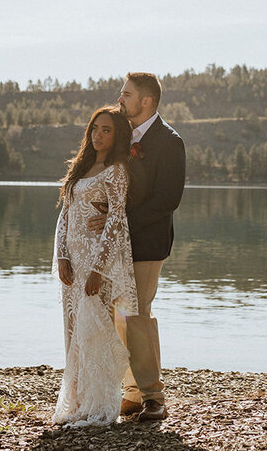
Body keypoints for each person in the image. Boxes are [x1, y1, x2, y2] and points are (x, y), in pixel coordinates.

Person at [89, 72, 186, 422]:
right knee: (120, 315)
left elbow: (168, 199)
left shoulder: (169, 141)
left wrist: (120, 221)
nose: (121, 99)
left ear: (146, 101)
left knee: (138, 315)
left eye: (126, 94)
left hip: (147, 242)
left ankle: (154, 398)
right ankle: (132, 393)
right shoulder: (123, 134)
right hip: (115, 244)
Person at [51, 106, 139, 427]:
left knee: (94, 329)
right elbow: (66, 214)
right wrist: (61, 255)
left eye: (106, 130)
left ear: (116, 136)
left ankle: (99, 401)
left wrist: (99, 269)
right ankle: (76, 398)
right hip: (73, 260)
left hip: (95, 259)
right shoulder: (82, 167)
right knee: (73, 329)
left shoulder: (116, 171)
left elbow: (115, 218)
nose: (98, 135)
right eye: (95, 129)